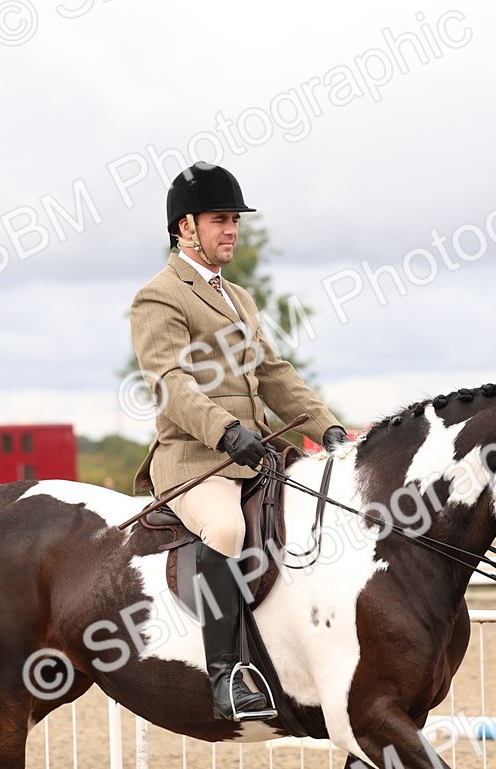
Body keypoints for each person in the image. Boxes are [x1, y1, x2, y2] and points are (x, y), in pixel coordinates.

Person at [129, 162, 349, 721]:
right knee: (226, 527)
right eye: (220, 219)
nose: (232, 229)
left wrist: (326, 426)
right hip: (195, 459)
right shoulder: (159, 297)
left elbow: (273, 372)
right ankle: (226, 676)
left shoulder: (240, 299)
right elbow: (170, 384)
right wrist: (226, 432)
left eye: (235, 220)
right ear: (185, 228)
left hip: (255, 456)